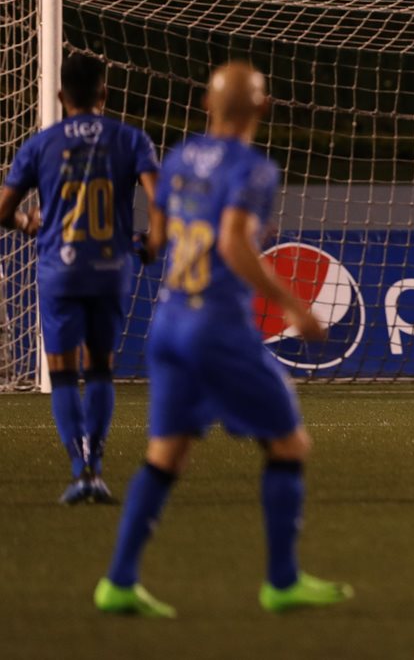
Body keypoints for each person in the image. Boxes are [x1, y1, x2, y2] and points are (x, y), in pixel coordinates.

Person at [93, 62, 352, 618]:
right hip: (217, 326)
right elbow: (234, 243)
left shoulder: (182, 155)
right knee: (289, 444)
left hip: (168, 321)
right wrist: (293, 307)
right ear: (263, 108)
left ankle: (118, 580)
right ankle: (281, 581)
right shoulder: (254, 169)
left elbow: (159, 235)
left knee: (167, 453)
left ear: (206, 106)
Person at [0, 52, 159, 505]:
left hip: (59, 271)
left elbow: (3, 211)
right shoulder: (131, 140)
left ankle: (80, 472)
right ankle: (100, 466)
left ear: (58, 95)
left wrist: (29, 223)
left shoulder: (41, 144)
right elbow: (161, 199)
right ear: (104, 93)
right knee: (101, 369)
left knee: (64, 374)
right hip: (112, 269)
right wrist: (153, 242)